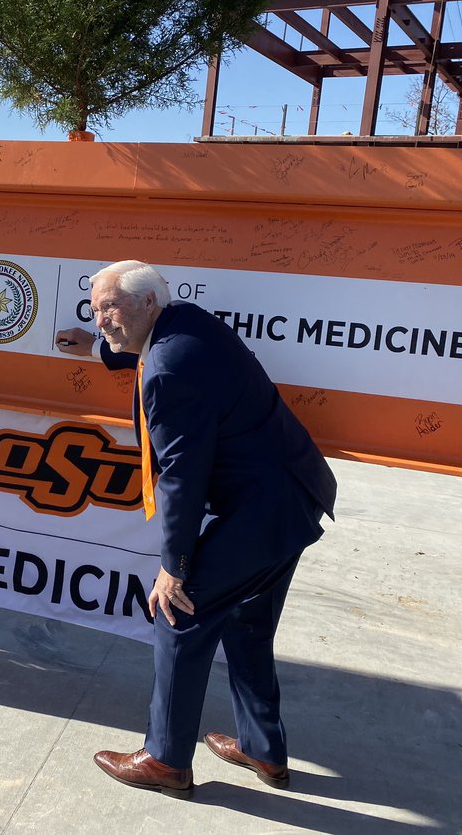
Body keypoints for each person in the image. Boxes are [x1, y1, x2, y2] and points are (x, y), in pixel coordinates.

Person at [56, 260, 337, 797]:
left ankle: (165, 760)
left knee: (177, 614)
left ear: (146, 304)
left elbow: (181, 477)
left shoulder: (166, 369)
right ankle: (262, 748)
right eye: (93, 310)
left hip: (259, 511)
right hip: (294, 496)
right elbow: (139, 347)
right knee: (248, 622)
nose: (100, 322)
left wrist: (174, 569)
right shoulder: (187, 319)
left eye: (109, 308)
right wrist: (95, 349)